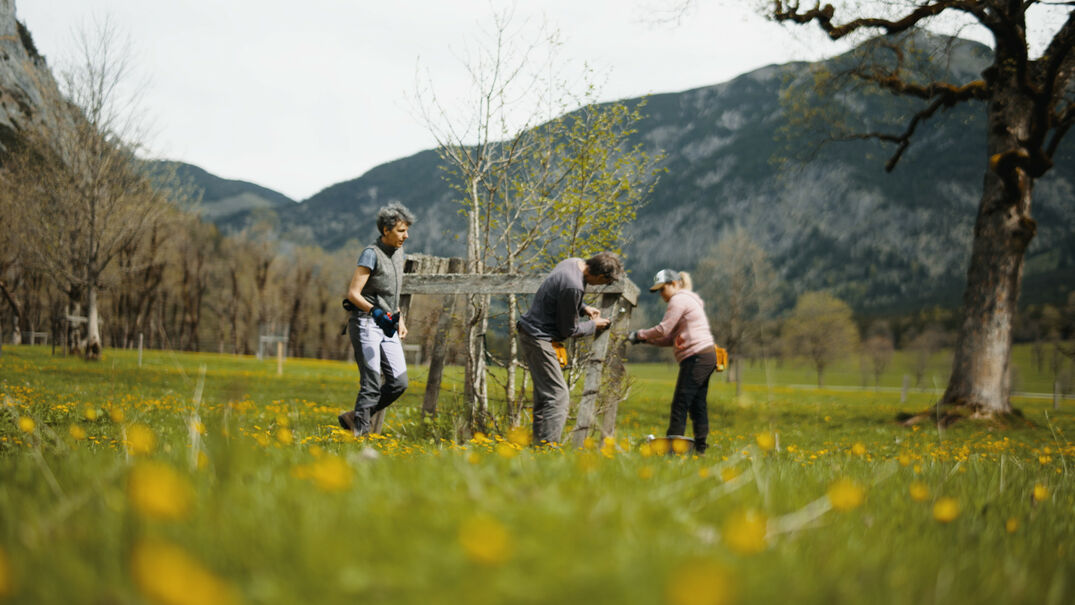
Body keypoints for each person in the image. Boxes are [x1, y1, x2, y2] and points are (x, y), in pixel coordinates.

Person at [517, 252, 624, 445]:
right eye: (605, 282)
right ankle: (548, 448)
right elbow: (568, 330)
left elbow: (559, 294)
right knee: (558, 396)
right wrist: (594, 325)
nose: (602, 286)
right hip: (539, 338)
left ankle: (538, 447)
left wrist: (583, 307)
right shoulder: (573, 285)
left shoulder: (572, 263)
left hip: (530, 333)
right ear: (601, 276)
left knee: (545, 396)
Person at [338, 202, 415, 437]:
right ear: (385, 230)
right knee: (371, 384)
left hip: (388, 325)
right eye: (401, 230)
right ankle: (360, 437)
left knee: (399, 383)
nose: (406, 235)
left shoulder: (398, 252)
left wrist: (398, 318)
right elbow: (353, 293)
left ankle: (354, 417)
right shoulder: (371, 254)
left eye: (406, 230)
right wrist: (375, 312)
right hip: (365, 323)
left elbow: (392, 292)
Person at [629, 269, 716, 454]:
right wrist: (644, 340)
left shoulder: (679, 299)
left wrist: (639, 334)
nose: (661, 294)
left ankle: (671, 450)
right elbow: (669, 339)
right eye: (658, 291)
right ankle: (700, 448)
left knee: (680, 403)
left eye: (663, 288)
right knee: (697, 403)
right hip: (706, 355)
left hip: (697, 356)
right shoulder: (688, 300)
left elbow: (663, 329)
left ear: (675, 284)